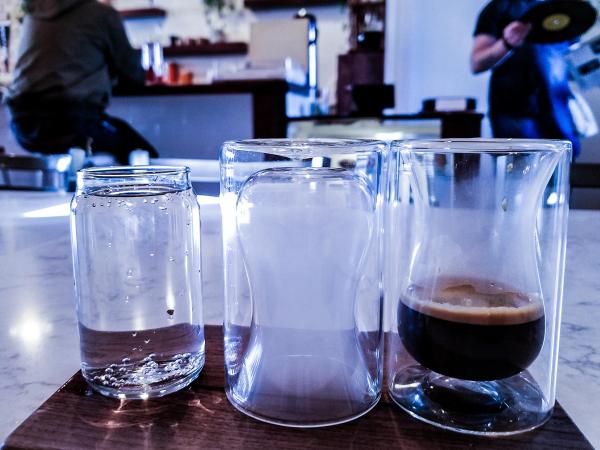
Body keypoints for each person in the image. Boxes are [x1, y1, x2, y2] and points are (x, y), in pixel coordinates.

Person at [4, 0, 158, 164]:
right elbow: (133, 74)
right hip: (73, 123)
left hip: (22, 124)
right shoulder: (103, 15)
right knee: (143, 155)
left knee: (104, 144)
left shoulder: (33, 13)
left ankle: (73, 176)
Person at [471, 0, 580, 158]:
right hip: (514, 112)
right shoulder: (500, 7)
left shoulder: (567, 7)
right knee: (516, 170)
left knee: (563, 168)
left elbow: (568, 60)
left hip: (558, 110)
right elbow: (477, 63)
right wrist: (507, 43)